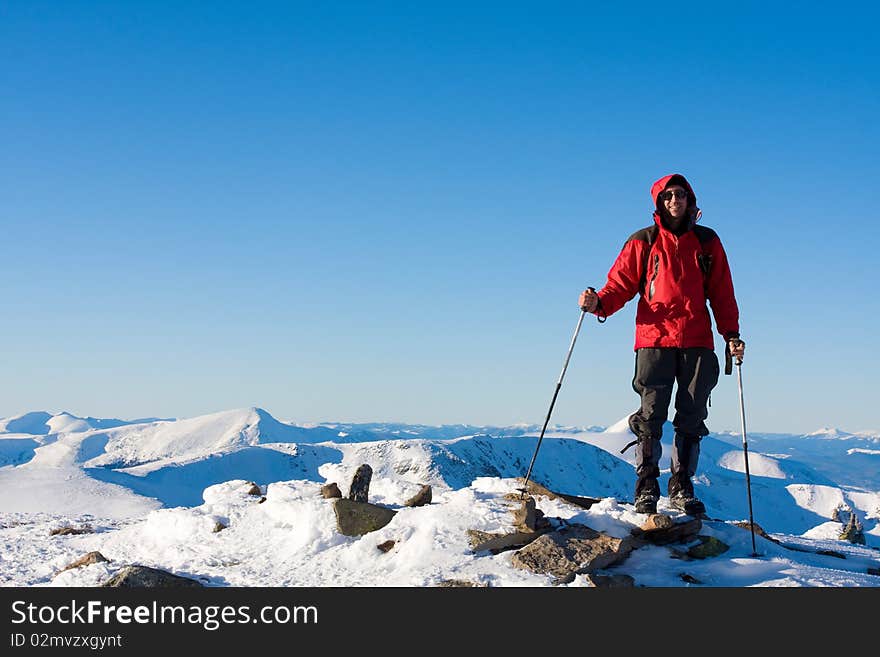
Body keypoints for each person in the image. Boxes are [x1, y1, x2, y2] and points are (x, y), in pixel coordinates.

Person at [578, 173, 745, 515]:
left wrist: (731, 335)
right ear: (659, 201)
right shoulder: (644, 241)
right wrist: (600, 303)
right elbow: (620, 284)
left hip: (697, 339)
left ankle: (682, 487)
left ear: (689, 199)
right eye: (667, 196)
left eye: (680, 194)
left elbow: (722, 292)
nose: (674, 201)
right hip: (654, 338)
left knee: (692, 413)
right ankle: (647, 488)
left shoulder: (707, 241)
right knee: (652, 414)